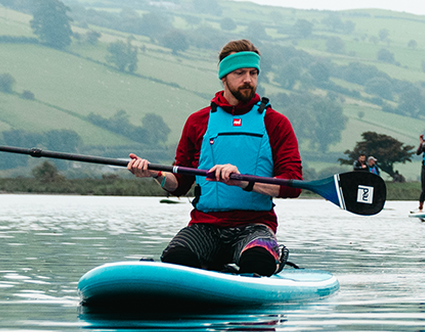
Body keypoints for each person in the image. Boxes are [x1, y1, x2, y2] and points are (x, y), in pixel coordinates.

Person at [127, 40, 302, 275]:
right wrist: (155, 174)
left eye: (253, 73)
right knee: (176, 258)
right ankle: (214, 267)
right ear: (224, 77)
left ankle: (267, 261)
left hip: (255, 226)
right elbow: (180, 184)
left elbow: (293, 185)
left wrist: (243, 181)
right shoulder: (197, 122)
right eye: (240, 73)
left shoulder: (276, 123)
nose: (248, 80)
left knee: (257, 262)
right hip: (205, 226)